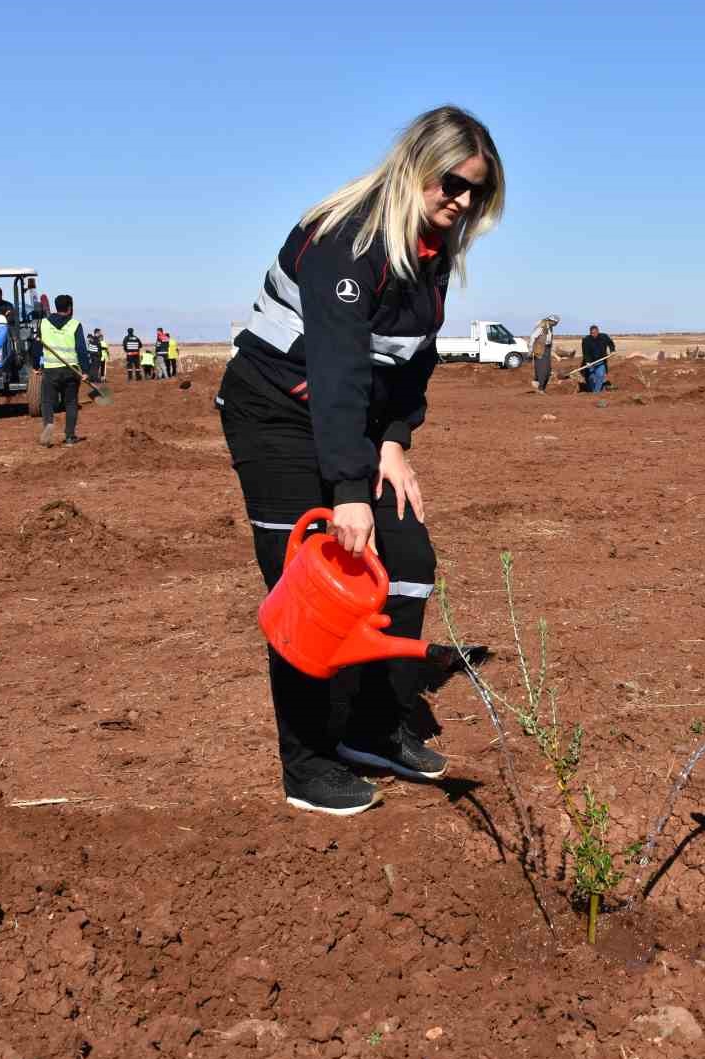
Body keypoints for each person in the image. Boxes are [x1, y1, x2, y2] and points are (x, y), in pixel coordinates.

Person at [216, 105, 505, 817]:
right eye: (451, 183)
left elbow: (409, 365)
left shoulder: (430, 259)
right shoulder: (347, 241)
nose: (460, 202)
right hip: (276, 415)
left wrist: (396, 442)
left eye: (476, 193)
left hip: (354, 424)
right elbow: (340, 369)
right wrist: (350, 488)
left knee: (406, 557)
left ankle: (376, 727)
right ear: (415, 166)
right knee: (309, 578)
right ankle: (308, 763)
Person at [36, 294, 95, 447]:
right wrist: (86, 371)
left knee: (47, 402)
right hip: (71, 370)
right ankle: (69, 437)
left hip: (50, 370)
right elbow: (82, 349)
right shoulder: (75, 325)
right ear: (69, 308)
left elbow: (36, 346)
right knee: (70, 403)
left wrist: (37, 365)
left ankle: (48, 425)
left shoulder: (43, 323)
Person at [579, 325, 615, 393]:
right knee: (591, 378)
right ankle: (592, 390)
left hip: (601, 361)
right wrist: (588, 361)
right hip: (590, 362)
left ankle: (596, 392)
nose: (593, 334)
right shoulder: (586, 340)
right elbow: (585, 352)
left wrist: (612, 350)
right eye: (592, 333)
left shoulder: (604, 337)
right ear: (590, 333)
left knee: (600, 375)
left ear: (598, 331)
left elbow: (610, 343)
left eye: (595, 333)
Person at [529, 314, 558, 392]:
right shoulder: (542, 327)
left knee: (548, 370)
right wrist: (531, 349)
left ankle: (542, 388)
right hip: (540, 350)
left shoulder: (550, 328)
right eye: (555, 322)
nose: (556, 324)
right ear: (551, 321)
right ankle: (540, 388)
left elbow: (549, 340)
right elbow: (533, 337)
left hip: (547, 350)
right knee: (542, 370)